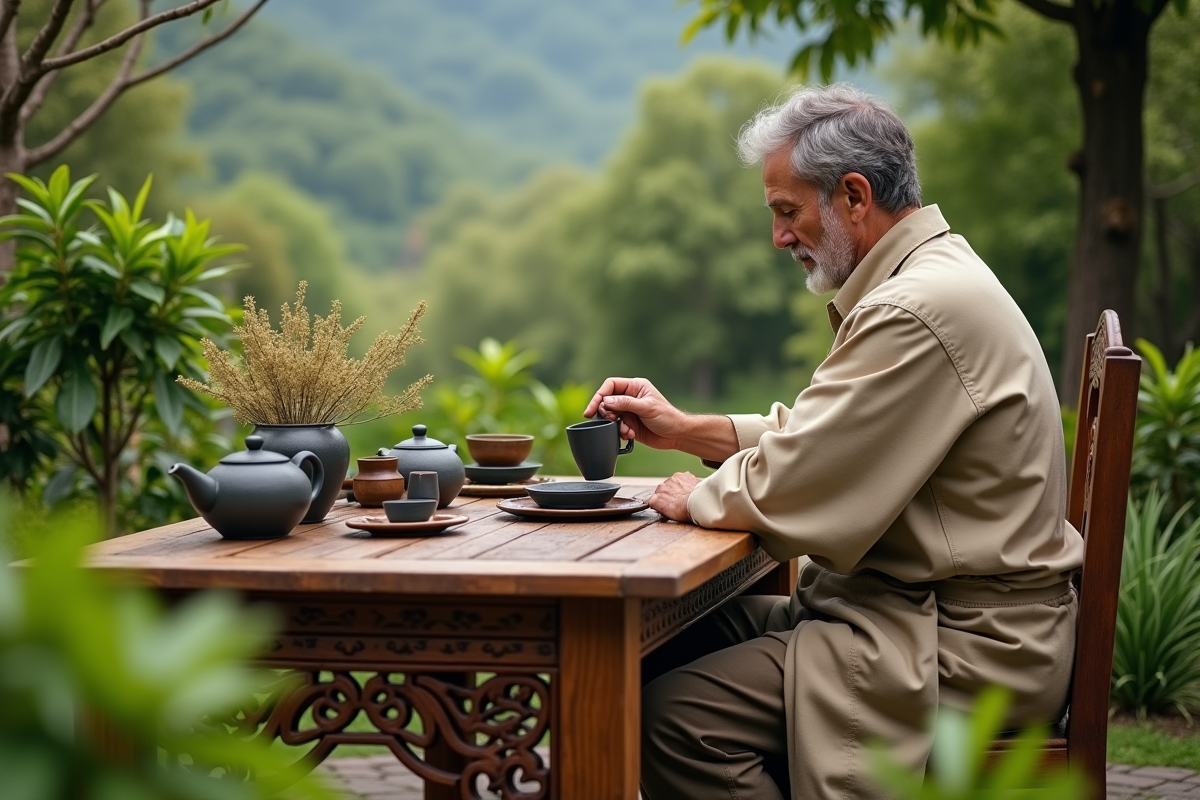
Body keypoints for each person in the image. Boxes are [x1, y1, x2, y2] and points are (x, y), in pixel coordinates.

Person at [583, 84, 1084, 800]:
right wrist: (694, 431)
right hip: (910, 616)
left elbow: (803, 480)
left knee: (676, 719)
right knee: (652, 639)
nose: (779, 238)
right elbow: (833, 435)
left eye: (788, 212)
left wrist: (701, 497)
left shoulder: (917, 308)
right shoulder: (932, 277)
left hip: (964, 651)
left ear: (854, 196)